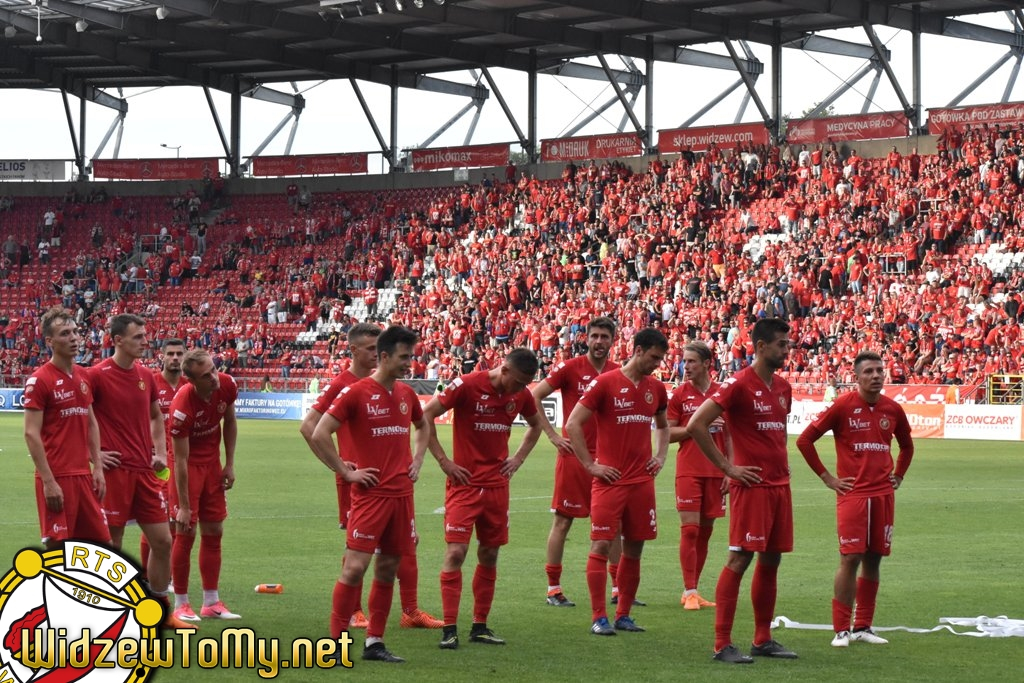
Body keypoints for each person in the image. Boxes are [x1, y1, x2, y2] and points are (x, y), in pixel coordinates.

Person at [299, 323, 442, 630]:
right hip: (361, 479)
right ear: (354, 350)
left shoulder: (401, 390)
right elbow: (310, 427)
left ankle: (408, 611)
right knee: (357, 553)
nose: (375, 354)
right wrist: (339, 467)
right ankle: (353, 611)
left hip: (395, 482)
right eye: (369, 349)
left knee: (405, 545)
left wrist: (417, 459)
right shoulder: (345, 385)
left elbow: (422, 424)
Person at [688, 317, 797, 664]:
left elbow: (777, 434)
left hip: (779, 485)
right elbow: (697, 424)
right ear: (761, 347)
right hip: (752, 487)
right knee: (740, 557)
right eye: (781, 344)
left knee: (772, 558)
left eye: (788, 344)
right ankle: (722, 644)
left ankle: (762, 639)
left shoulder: (784, 388)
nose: (786, 350)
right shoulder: (737, 384)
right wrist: (728, 468)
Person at [420, 348, 544, 650]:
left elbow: (536, 425)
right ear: (504, 369)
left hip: (497, 487)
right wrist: (444, 462)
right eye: (518, 382)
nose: (520, 389)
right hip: (464, 484)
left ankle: (480, 625)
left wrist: (518, 459)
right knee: (456, 553)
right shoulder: (466, 385)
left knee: (489, 554)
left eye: (525, 384)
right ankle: (449, 628)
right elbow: (426, 415)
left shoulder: (522, 394)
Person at [796, 351, 914, 647]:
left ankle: (863, 626)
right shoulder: (843, 406)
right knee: (850, 558)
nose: (876, 376)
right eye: (869, 372)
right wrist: (828, 478)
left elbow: (907, 446)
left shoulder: (892, 409)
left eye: (879, 371)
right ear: (856, 377)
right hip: (853, 494)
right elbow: (804, 440)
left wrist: (899, 475)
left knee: (874, 559)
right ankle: (841, 629)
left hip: (883, 495)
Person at [564, 327, 669, 636]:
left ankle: (623, 614)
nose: (657, 364)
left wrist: (661, 456)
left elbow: (663, 426)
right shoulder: (605, 383)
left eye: (660, 359)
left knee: (634, 549)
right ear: (638, 351)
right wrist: (590, 465)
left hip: (642, 483)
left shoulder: (656, 388)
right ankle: (599, 617)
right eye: (654, 358)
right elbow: (573, 423)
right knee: (600, 545)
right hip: (610, 481)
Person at [88, 314, 180, 629]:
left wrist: (160, 452)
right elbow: (79, 418)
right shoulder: (96, 376)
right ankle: (104, 616)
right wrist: (93, 455)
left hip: (144, 472)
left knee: (163, 541)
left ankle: (160, 612)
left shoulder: (145, 376)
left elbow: (156, 417)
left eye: (144, 335)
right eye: (138, 336)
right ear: (118, 340)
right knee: (110, 546)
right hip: (114, 472)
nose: (145, 341)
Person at [532, 316, 630, 607]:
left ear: (612, 341)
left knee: (614, 525)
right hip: (574, 457)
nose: (599, 342)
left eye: (604, 337)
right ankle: (553, 588)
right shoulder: (569, 368)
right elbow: (535, 396)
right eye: (594, 336)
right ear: (586, 338)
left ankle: (618, 588)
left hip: (608, 460)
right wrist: (552, 435)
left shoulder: (618, 372)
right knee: (563, 521)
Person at [23, 308, 109, 549]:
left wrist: (98, 467)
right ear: (49, 341)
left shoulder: (83, 375)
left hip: (84, 475)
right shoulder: (40, 380)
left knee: (101, 547)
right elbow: (30, 433)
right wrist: (48, 481)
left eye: (75, 332)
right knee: (58, 551)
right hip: (57, 476)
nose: (73, 338)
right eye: (64, 333)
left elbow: (91, 423)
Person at [169, 349, 241, 623]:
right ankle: (181, 604)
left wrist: (229, 463)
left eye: (213, 369)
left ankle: (211, 602)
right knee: (185, 531)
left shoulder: (227, 384)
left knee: (214, 531)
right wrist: (184, 506)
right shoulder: (181, 408)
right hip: (187, 468)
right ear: (191, 381)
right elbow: (180, 459)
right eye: (206, 375)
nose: (214, 377)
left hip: (212, 465)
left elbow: (230, 422)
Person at [667, 341, 728, 611]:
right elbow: (667, 433)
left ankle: (691, 590)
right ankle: (690, 591)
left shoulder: (723, 393)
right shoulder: (679, 395)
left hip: (717, 471)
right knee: (690, 530)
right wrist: (696, 427)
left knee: (705, 533)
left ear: (706, 364)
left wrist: (730, 470)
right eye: (684, 361)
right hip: (689, 470)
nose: (686, 366)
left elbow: (732, 436)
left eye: (691, 361)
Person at [142, 339, 186, 581]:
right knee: (155, 519)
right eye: (170, 354)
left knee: (178, 519)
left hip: (182, 463)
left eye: (179, 353)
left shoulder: (189, 385)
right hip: (157, 463)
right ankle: (149, 576)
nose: (175, 358)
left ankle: (166, 576)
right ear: (162, 356)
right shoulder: (151, 383)